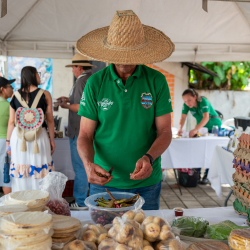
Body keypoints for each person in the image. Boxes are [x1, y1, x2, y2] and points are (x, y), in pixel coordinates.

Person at [75, 10, 175, 210]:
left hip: (146, 184)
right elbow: (85, 135)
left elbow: (165, 131)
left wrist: (149, 157)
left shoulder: (156, 81)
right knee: (103, 239)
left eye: (129, 54)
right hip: (104, 183)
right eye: (118, 54)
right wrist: (88, 164)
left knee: (146, 238)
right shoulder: (95, 82)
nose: (123, 60)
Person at [6, 66, 55, 192]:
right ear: (33, 75)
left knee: (21, 170)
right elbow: (50, 119)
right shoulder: (45, 94)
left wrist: (8, 142)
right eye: (38, 74)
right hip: (39, 136)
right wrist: (52, 140)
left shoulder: (15, 95)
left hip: (19, 138)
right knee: (40, 170)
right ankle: (41, 202)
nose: (39, 76)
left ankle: (22, 202)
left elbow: (11, 121)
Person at [57, 54, 96, 210]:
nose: (72, 70)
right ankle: (85, 199)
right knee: (86, 166)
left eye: (73, 67)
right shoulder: (88, 79)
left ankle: (80, 201)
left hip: (80, 131)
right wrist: (68, 99)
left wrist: (66, 106)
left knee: (80, 167)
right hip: (86, 131)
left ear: (79, 67)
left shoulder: (81, 81)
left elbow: (81, 107)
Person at [177, 88, 222, 184]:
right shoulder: (186, 105)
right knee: (198, 149)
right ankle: (196, 175)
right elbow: (183, 117)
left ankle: (207, 175)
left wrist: (195, 129)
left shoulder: (203, 101)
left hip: (213, 127)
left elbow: (206, 117)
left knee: (211, 150)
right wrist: (180, 129)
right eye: (185, 101)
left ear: (195, 97)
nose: (187, 103)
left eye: (189, 100)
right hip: (201, 128)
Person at [0, 77, 14, 194]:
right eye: (10, 86)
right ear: (2, 89)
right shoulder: (9, 106)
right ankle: (10, 204)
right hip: (5, 142)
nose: (12, 88)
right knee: (6, 174)